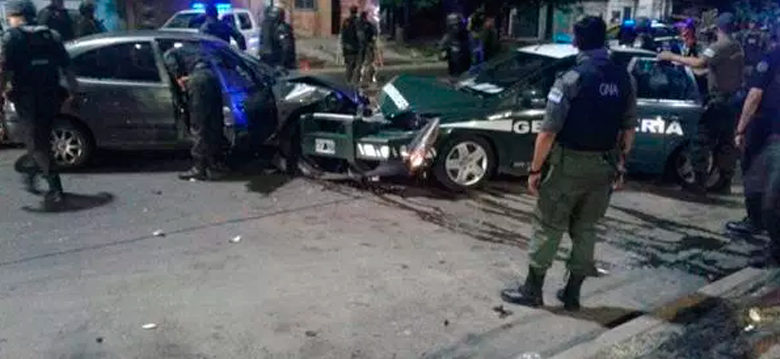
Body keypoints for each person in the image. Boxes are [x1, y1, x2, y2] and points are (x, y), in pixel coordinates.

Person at [500, 16, 636, 311]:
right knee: (586, 228)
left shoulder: (572, 78)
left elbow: (548, 131)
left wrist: (535, 170)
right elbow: (628, 129)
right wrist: (621, 165)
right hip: (604, 166)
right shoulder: (624, 78)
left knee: (548, 224)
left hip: (568, 166)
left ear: (578, 40)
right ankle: (572, 293)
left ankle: (532, 290)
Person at [1, 0, 79, 208]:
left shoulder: (11, 38)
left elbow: (4, 69)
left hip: (27, 98)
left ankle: (55, 188)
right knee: (41, 139)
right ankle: (34, 170)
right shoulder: (51, 35)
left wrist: (3, 91)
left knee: (37, 142)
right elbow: (66, 65)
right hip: (52, 95)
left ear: (16, 15)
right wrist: (73, 90)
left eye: (10, 16)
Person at [658, 13, 744, 195]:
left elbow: (700, 62)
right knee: (726, 143)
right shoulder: (737, 47)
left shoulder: (719, 46)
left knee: (700, 141)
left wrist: (671, 56)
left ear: (718, 27)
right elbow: (710, 69)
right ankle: (724, 183)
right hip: (733, 100)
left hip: (718, 101)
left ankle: (698, 182)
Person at [732, 32, 780, 266]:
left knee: (765, 190)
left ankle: (773, 245)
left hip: (768, 134)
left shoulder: (772, 57)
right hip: (769, 133)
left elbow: (754, 95)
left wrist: (740, 129)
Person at [163, 43, 227, 181]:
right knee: (214, 123)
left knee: (199, 125)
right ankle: (215, 164)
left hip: (198, 80)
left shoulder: (170, 52)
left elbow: (171, 63)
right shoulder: (195, 48)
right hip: (212, 77)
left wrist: (179, 77)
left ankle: (199, 168)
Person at [439, 13, 471, 77]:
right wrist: (446, 52)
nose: (456, 27)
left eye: (458, 25)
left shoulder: (467, 36)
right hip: (454, 72)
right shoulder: (447, 38)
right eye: (453, 25)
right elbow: (441, 55)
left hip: (468, 71)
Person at [341, 6, 361, 85]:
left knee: (349, 65)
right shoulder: (358, 21)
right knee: (356, 65)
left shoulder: (346, 21)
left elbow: (343, 34)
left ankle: (348, 81)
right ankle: (354, 83)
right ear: (356, 11)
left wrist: (344, 45)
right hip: (355, 47)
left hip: (347, 47)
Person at [358, 11, 377, 87]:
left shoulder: (358, 25)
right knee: (370, 62)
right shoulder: (369, 24)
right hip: (368, 46)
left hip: (360, 47)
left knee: (361, 63)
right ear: (365, 17)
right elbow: (374, 34)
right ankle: (371, 78)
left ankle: (362, 78)